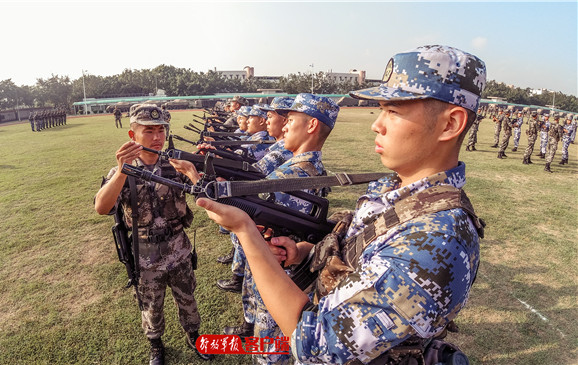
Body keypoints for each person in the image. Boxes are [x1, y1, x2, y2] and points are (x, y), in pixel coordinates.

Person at [197, 45, 485, 364]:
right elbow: (359, 254)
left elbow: (315, 343)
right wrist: (308, 251)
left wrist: (244, 230)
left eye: (394, 110)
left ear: (450, 124)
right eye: (380, 110)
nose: (377, 124)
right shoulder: (396, 189)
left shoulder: (434, 241)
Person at [173, 93, 339, 365]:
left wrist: (194, 176)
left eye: (291, 119)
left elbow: (241, 212)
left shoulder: (293, 174)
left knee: (269, 351)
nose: (284, 125)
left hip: (277, 270)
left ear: (311, 126)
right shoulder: (303, 166)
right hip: (283, 264)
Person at [94, 104, 213, 365]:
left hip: (178, 249)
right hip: (146, 257)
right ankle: (156, 345)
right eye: (149, 131)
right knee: (151, 306)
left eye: (161, 130)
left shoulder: (175, 165)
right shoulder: (122, 172)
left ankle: (194, 336)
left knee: (188, 298)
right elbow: (102, 207)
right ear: (132, 135)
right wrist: (122, 172)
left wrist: (193, 174)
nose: (157, 137)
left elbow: (207, 198)